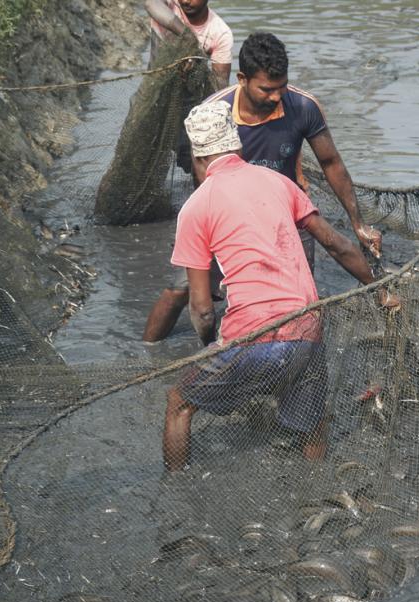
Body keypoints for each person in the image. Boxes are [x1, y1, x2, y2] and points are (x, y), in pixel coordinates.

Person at [162, 101, 395, 471]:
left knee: (179, 403)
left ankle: (174, 492)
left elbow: (202, 308)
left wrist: (210, 346)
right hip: (307, 328)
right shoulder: (279, 181)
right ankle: (313, 483)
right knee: (313, 421)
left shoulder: (195, 207)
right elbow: (337, 244)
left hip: (252, 338)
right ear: (237, 148)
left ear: (198, 157)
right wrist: (380, 288)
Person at [143, 31, 382, 342]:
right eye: (267, 89)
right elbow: (203, 176)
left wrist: (358, 223)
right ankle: (147, 352)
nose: (276, 96)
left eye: (282, 87)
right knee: (182, 288)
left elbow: (331, 163)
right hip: (224, 213)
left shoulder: (303, 106)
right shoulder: (215, 112)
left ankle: (283, 358)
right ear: (242, 79)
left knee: (296, 294)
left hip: (284, 208)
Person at [145, 0, 232, 90]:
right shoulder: (169, 5)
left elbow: (220, 85)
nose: (185, 1)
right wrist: (188, 36)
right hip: (152, 86)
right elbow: (150, 3)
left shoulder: (220, 33)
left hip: (189, 95)